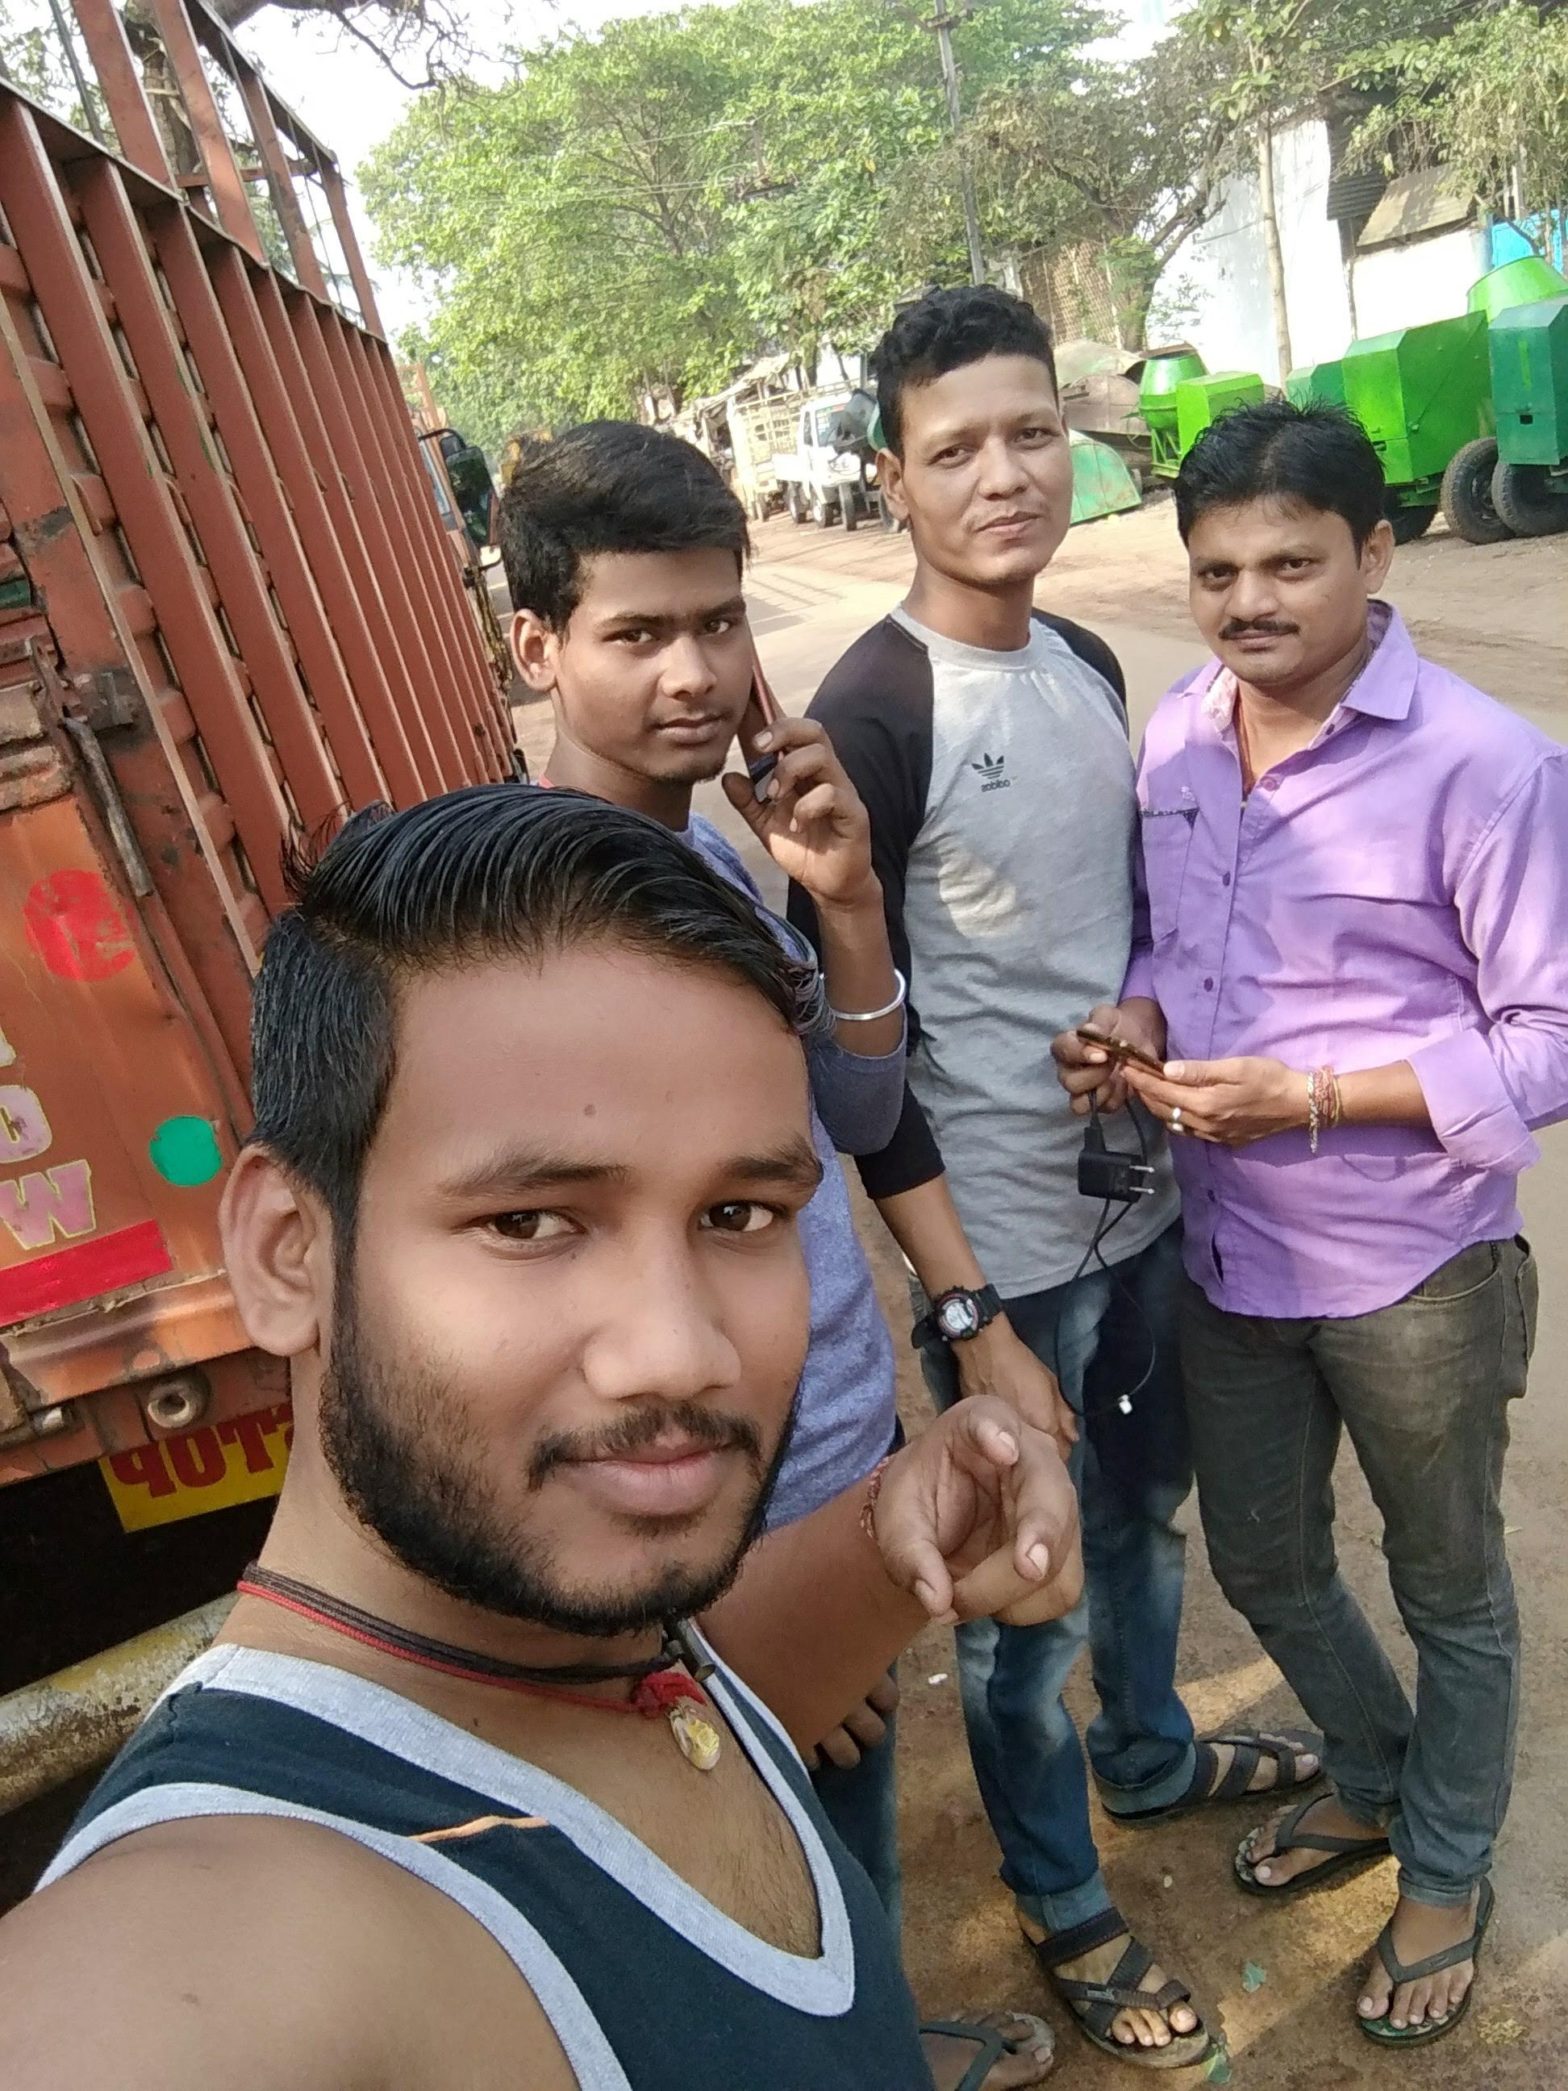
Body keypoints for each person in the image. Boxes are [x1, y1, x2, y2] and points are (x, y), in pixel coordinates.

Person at [0, 788, 1083, 2091]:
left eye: (740, 1214)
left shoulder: (584, 1638)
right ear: (289, 1254)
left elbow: (685, 1732)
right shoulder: (214, 1952)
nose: (679, 1351)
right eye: (529, 1223)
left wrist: (894, 1523)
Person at [798, 286, 1321, 2070]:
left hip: (1144, 1203)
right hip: (1009, 1257)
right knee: (1030, 1597)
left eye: (1033, 433)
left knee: (1145, 1522)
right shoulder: (876, 714)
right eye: (956, 449)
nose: (1006, 475)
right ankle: (1059, 1887)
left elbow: (1122, 924)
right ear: (894, 479)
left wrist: (1145, 1018)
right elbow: (856, 1067)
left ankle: (1153, 1755)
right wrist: (971, 1317)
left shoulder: (1088, 663)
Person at [498, 422, 1056, 2084]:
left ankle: (871, 2043)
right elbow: (588, 1306)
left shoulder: (711, 859)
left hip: (833, 1474)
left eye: (719, 624)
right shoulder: (548, 924)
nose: (693, 674)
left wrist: (850, 905)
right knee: (757, 1897)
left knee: (836, 1865)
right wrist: (721, 1602)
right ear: (536, 648)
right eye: (637, 633)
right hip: (717, 1540)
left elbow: (852, 1114)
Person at [1055, 397, 1566, 2048]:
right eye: (1217, 572)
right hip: (1227, 1251)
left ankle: (1446, 1870)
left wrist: (1318, 1097)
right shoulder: (1181, 734)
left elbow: (1551, 1036)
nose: (1249, 601)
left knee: (1449, 1588)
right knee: (1264, 1559)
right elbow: (1167, 935)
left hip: (1415, 1266)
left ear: (1376, 554)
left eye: (1290, 564)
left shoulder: (1485, 765)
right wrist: (1138, 1017)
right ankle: (1377, 1772)